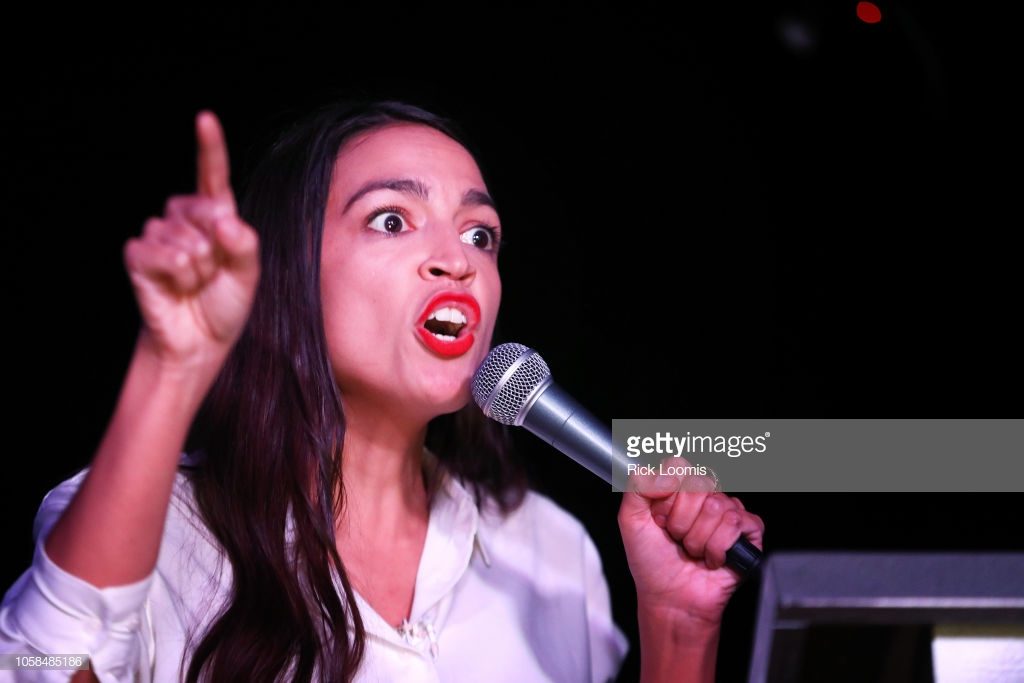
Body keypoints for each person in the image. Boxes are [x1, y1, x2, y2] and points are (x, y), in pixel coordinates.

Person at [0, 100, 764, 682]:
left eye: (480, 235)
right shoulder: (149, 529)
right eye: (393, 220)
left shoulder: (552, 549)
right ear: (288, 272)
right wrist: (170, 364)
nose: (457, 260)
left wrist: (679, 626)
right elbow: (41, 662)